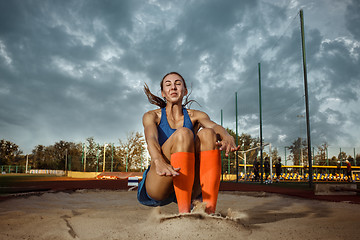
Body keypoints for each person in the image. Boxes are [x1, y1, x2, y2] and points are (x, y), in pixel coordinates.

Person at [137, 72, 240, 214]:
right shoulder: (152, 116)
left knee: (208, 133)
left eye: (178, 83)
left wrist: (226, 135)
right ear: (163, 93)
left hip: (188, 183)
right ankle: (184, 214)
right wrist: (158, 161)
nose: (173, 87)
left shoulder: (196, 116)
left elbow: (214, 126)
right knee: (183, 133)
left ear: (184, 91)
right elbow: (151, 139)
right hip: (161, 178)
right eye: (168, 85)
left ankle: (209, 212)